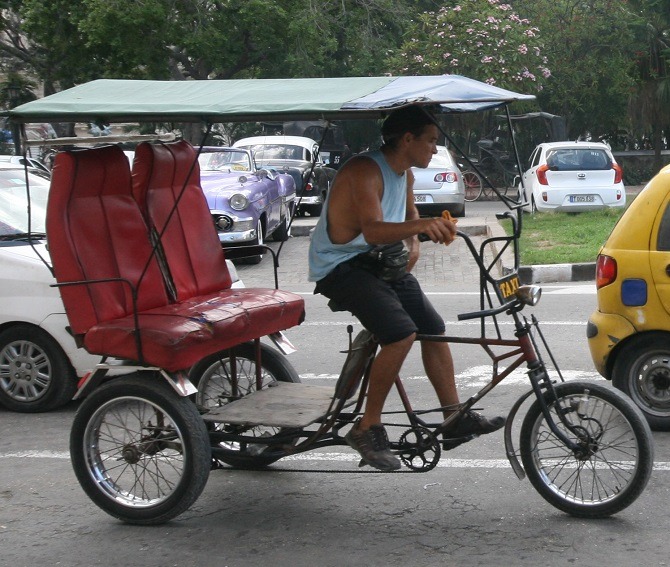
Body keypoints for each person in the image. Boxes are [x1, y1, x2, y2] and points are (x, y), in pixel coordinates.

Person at [308, 105, 505, 471]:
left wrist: (414, 246)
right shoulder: (365, 170)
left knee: (433, 329)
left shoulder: (405, 174)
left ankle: (453, 418)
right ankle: (366, 428)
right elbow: (374, 230)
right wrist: (420, 229)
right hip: (341, 266)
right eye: (430, 141)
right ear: (407, 139)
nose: (434, 149)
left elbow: (410, 216)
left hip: (378, 260)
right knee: (400, 335)